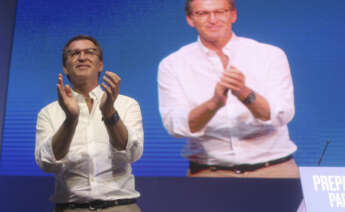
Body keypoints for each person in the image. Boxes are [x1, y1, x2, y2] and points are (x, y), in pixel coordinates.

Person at [158, 0, 299, 178]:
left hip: (274, 169)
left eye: (220, 12)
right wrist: (214, 104)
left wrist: (245, 93)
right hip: (209, 172)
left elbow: (281, 114)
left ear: (233, 15)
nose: (212, 19)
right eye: (202, 13)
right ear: (190, 19)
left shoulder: (270, 55)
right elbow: (176, 126)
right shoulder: (172, 65)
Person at [35, 35, 144, 212]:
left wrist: (109, 113)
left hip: (120, 206)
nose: (82, 57)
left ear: (100, 64)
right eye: (74, 53)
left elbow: (133, 153)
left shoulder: (126, 104)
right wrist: (70, 120)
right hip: (71, 207)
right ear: (65, 67)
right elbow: (47, 164)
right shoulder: (48, 112)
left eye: (89, 52)